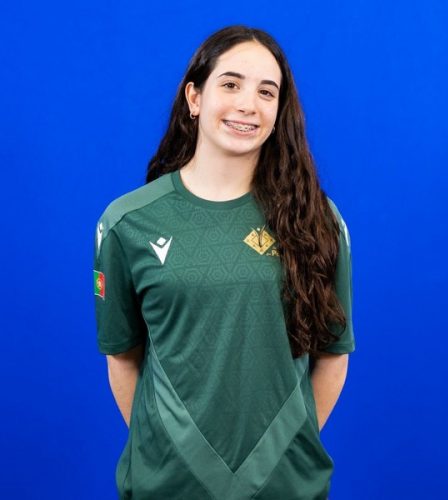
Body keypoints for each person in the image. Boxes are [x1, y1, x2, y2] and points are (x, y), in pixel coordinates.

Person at [94, 24, 355, 500]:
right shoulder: (126, 223)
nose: (248, 104)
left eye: (266, 92)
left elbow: (333, 355)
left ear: (279, 111)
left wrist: (280, 453)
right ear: (194, 97)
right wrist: (173, 454)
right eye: (231, 84)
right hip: (166, 488)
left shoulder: (317, 220)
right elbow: (122, 357)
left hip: (287, 488)